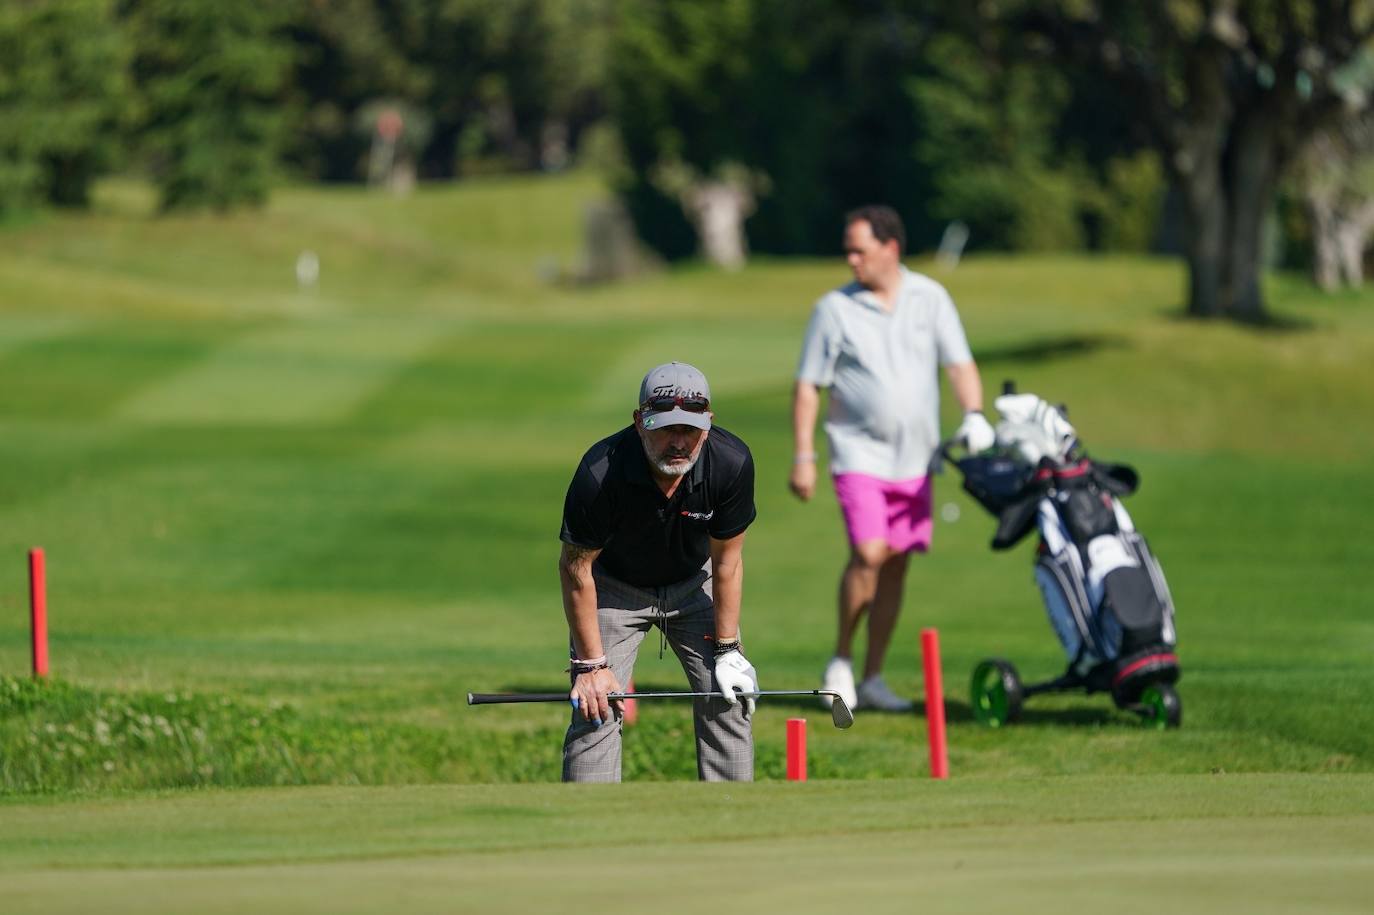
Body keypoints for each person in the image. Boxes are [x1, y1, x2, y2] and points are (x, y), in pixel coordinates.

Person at [789, 205, 995, 712]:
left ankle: (874, 675)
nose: (851, 259)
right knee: (870, 553)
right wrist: (804, 455)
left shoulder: (930, 297)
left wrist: (974, 413)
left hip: (917, 459)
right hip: (858, 454)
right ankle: (841, 659)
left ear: (891, 248)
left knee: (897, 565)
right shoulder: (834, 309)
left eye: (860, 249)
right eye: (848, 250)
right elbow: (808, 386)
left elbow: (959, 362)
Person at [559, 362, 758, 782]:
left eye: (689, 429)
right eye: (666, 428)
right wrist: (592, 667)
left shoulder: (730, 462)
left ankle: (733, 822)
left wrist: (727, 650)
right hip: (613, 587)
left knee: (728, 696)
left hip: (693, 582)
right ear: (639, 423)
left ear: (708, 424)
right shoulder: (600, 472)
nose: (679, 442)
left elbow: (727, 562)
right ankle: (587, 831)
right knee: (596, 707)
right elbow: (576, 570)